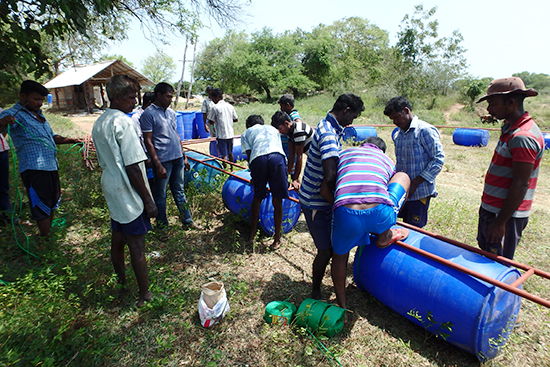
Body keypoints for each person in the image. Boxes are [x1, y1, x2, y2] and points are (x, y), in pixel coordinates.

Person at [92, 74, 157, 307]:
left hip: (111, 185)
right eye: (131, 97)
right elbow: (132, 166)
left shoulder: (101, 121)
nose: (135, 102)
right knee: (136, 244)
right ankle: (144, 294)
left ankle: (122, 282)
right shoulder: (124, 122)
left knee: (118, 238)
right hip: (127, 190)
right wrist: (148, 201)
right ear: (117, 97)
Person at [331, 137, 410, 309]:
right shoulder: (386, 161)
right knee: (403, 176)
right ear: (381, 150)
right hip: (378, 213)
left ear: (362, 145)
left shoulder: (345, 153)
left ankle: (341, 305)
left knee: (339, 257)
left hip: (345, 213)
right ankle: (385, 233)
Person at [299, 93, 365, 300]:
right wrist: (342, 202)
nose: (352, 121)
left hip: (323, 199)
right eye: (353, 116)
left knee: (332, 247)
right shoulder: (328, 134)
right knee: (325, 251)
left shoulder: (330, 127)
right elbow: (330, 176)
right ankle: (316, 289)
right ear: (345, 111)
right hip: (315, 202)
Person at [0, 80, 82, 241]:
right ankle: (45, 240)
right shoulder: (13, 115)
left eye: (42, 100)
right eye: (36, 99)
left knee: (51, 200)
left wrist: (72, 140)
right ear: (23, 96)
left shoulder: (39, 116)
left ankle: (48, 235)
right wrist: (3, 123)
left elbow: (51, 137)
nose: (39, 103)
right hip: (34, 168)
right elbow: (1, 128)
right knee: (40, 203)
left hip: (51, 165)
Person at [476, 77, 544, 260]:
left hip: (504, 215)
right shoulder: (510, 127)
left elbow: (521, 184)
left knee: (496, 264)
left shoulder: (523, 137)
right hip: (493, 209)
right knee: (485, 255)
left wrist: (500, 224)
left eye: (493, 104)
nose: (489, 109)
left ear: (511, 103)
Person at [140, 82, 200, 239]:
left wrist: (184, 156)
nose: (170, 100)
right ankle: (162, 227)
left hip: (177, 158)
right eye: (168, 96)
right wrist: (157, 164)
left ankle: (187, 220)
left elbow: (176, 135)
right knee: (160, 195)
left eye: (172, 97)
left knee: (179, 191)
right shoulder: (148, 114)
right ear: (158, 95)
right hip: (163, 160)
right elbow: (148, 141)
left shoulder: (172, 113)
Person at [384, 96, 445, 228]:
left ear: (406, 111)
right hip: (401, 191)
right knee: (396, 225)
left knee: (414, 228)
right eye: (392, 119)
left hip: (419, 192)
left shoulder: (425, 131)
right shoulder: (397, 135)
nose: (394, 122)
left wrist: (415, 183)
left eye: (396, 117)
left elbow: (438, 159)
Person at [241, 115, 288, 250]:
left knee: (258, 196)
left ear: (248, 125)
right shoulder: (273, 129)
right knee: (277, 199)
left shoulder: (246, 133)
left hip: (259, 158)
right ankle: (277, 239)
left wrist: (254, 177)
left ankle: (252, 234)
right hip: (277, 158)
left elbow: (250, 156)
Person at [271, 110, 313, 190]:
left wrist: (295, 179)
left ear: (286, 123)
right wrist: (285, 175)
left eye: (280, 129)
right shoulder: (290, 132)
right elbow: (292, 155)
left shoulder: (298, 131)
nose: (280, 132)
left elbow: (299, 156)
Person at [207, 88, 238, 164]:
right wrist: (229, 120)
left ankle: (224, 169)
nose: (212, 100)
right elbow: (236, 119)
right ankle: (231, 168)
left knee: (223, 154)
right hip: (230, 134)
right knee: (230, 152)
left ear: (217, 97)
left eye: (213, 98)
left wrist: (212, 122)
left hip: (221, 135)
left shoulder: (215, 107)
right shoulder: (230, 106)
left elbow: (210, 121)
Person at [0, 107, 12, 224]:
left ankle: (7, 215)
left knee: (3, 186)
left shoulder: (1, 111)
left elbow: (5, 125)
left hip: (1, 151)